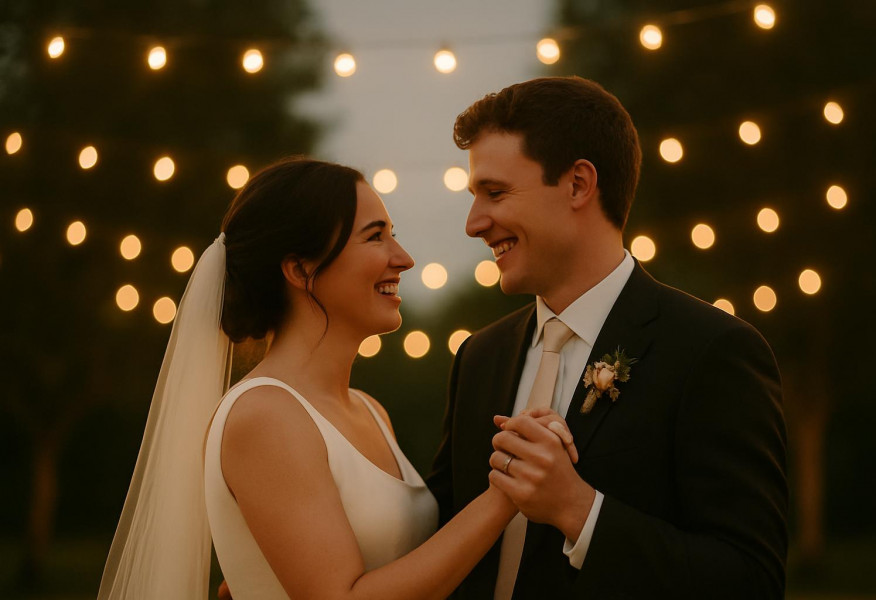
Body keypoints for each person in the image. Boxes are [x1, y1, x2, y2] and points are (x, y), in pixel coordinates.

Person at [97, 157, 577, 599]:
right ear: (302, 269)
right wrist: (505, 494)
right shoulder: (264, 415)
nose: (404, 258)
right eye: (375, 237)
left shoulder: (370, 410)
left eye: (393, 233)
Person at [426, 76, 789, 599]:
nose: (473, 222)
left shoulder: (712, 351)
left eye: (495, 192)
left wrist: (578, 510)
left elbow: (750, 581)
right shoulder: (478, 356)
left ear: (578, 184)